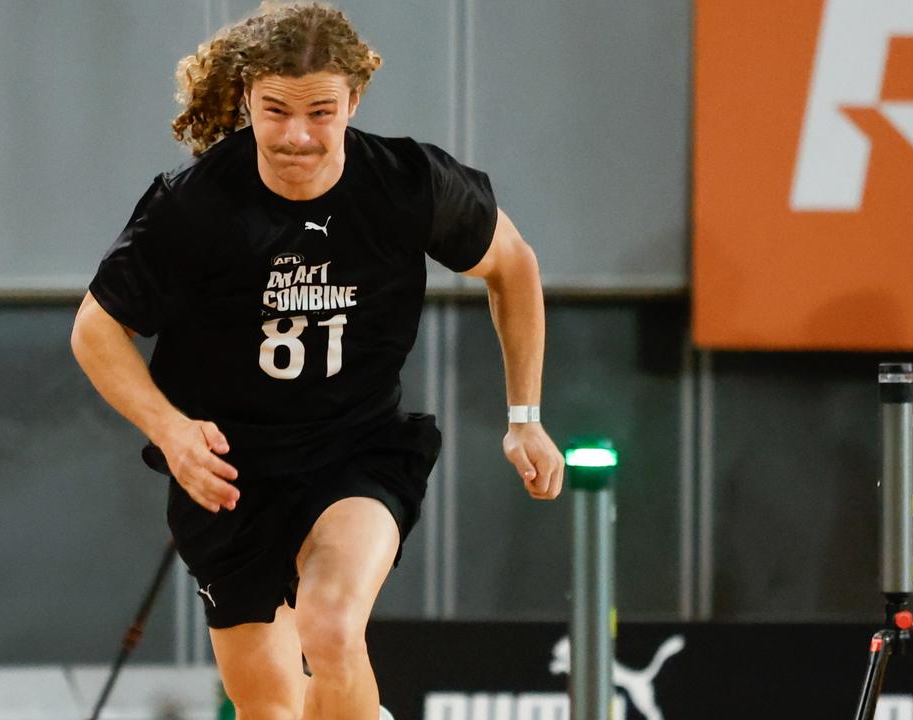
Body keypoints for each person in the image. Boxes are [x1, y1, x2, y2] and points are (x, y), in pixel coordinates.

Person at [70, 3, 563, 718]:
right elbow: (96, 330)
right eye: (275, 110)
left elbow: (512, 265)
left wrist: (525, 416)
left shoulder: (405, 182)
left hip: (355, 447)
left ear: (353, 101)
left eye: (321, 112)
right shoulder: (196, 206)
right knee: (269, 706)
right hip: (231, 470)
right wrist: (171, 430)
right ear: (245, 97)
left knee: (331, 628)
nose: (296, 135)